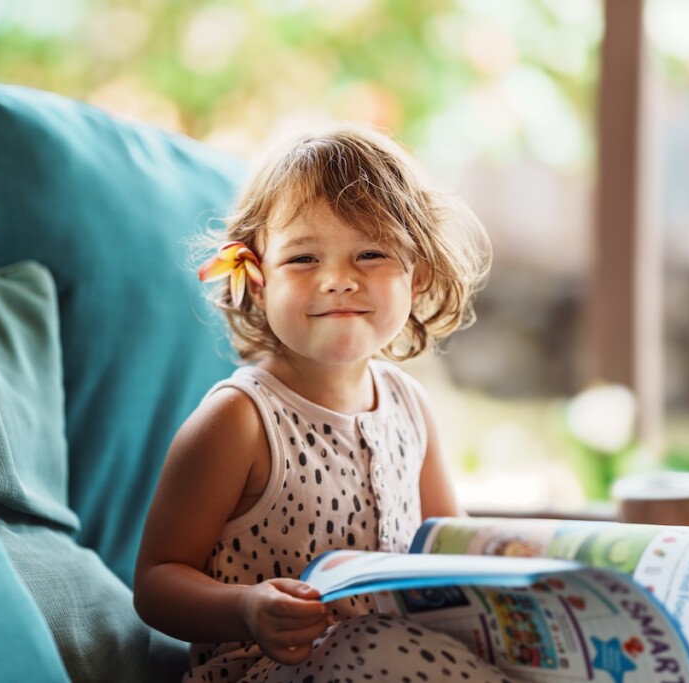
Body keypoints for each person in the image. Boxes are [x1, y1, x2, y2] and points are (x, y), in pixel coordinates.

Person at [134, 124, 510, 682]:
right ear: (257, 281)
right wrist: (246, 608)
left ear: (418, 272)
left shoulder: (410, 406)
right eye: (304, 259)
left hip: (400, 658)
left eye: (370, 252)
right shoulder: (238, 419)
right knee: (377, 649)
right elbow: (157, 581)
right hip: (268, 669)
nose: (338, 280)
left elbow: (447, 545)